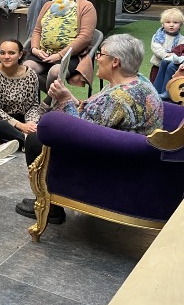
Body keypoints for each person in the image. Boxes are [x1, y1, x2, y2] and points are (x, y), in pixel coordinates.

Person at [16, 34, 164, 224]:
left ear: (115, 62)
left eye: (100, 54)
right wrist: (70, 97)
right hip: (133, 156)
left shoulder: (118, 98)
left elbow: (83, 130)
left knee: (37, 139)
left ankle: (49, 206)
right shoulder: (140, 82)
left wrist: (63, 100)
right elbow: (96, 115)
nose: (97, 58)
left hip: (113, 166)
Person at [24, 0, 96, 93]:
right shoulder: (48, 5)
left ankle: (49, 104)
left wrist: (60, 55)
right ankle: (34, 105)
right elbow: (37, 31)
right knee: (26, 69)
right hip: (43, 53)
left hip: (70, 56)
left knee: (55, 72)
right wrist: (35, 49)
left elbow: (85, 37)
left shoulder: (86, 6)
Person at [0, 39, 42, 151]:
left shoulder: (31, 75)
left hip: (20, 117)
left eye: (11, 53)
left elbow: (33, 105)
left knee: (48, 119)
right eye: (2, 53)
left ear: (20, 55)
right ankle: (26, 141)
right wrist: (20, 126)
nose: (6, 57)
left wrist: (30, 123)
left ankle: (4, 141)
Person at [150, 7, 184, 83]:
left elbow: (181, 51)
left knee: (169, 85)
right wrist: (166, 55)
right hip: (157, 66)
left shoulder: (181, 39)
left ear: (180, 25)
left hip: (173, 67)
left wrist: (175, 56)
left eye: (175, 23)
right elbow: (156, 48)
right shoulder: (158, 36)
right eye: (168, 22)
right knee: (155, 84)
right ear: (162, 24)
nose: (171, 25)